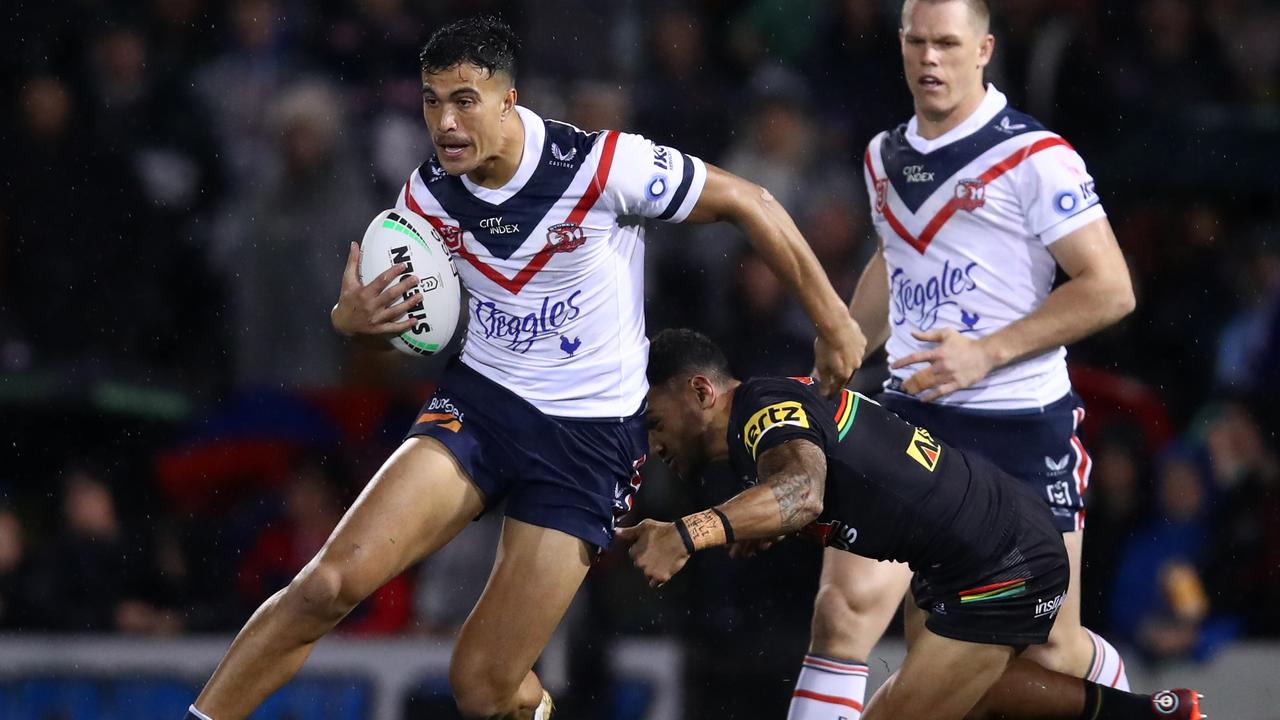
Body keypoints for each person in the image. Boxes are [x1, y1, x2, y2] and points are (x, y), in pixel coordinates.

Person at [183, 15, 864, 720]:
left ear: (508, 101)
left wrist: (833, 318)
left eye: (463, 100)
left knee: (481, 686)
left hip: (588, 442)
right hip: (481, 408)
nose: (443, 121)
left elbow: (750, 200)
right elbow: (400, 334)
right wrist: (348, 324)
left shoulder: (602, 165)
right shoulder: (424, 200)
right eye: (429, 100)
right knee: (327, 585)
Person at [789, 1, 1138, 717]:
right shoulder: (883, 154)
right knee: (844, 610)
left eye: (947, 43)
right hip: (913, 421)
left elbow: (1111, 289)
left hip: (1020, 429)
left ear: (983, 50)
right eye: (916, 42)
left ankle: (1132, 703)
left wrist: (988, 352)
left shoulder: (1036, 158)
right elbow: (897, 256)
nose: (930, 59)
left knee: (1048, 652)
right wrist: (846, 342)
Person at [620, 328, 1202, 720]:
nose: (652, 442)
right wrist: (765, 519)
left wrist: (688, 531)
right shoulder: (772, 409)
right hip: (974, 554)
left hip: (996, 565)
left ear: (700, 391)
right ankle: (1156, 712)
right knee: (969, 692)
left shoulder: (762, 414)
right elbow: (814, 480)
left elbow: (802, 490)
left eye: (652, 419)